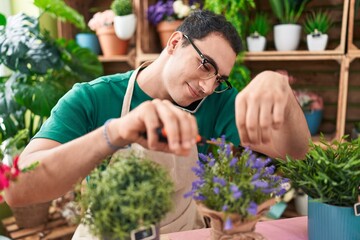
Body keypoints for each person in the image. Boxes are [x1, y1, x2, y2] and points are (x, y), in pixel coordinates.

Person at [5, 10, 310, 235]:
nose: (207, 86)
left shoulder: (218, 103)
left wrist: (283, 93)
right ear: (175, 42)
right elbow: (16, 189)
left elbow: (297, 152)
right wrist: (114, 133)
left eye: (218, 78)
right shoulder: (92, 98)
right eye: (205, 65)